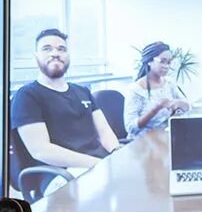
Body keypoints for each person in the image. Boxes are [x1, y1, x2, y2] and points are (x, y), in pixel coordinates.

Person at [11, 29, 120, 196]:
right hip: (59, 173)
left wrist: (115, 155)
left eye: (61, 49)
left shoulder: (83, 91)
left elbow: (105, 132)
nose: (55, 53)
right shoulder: (27, 95)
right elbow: (41, 150)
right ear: (36, 56)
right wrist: (97, 164)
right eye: (47, 49)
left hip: (96, 164)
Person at [123, 42, 190, 138]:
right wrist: (155, 109)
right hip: (142, 142)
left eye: (169, 62)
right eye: (162, 61)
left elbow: (187, 107)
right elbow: (131, 128)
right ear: (149, 61)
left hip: (164, 138)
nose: (166, 66)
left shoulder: (169, 83)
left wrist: (179, 103)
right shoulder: (135, 90)